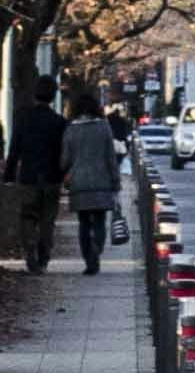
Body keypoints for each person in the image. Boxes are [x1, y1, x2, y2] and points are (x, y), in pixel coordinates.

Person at [59, 89, 125, 275]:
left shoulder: (71, 129)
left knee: (83, 222)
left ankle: (89, 258)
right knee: (99, 220)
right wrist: (116, 180)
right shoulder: (103, 127)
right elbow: (111, 157)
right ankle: (98, 247)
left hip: (79, 183)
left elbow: (64, 160)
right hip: (102, 181)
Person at [9, 78, 70, 270]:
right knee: (47, 219)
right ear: (52, 97)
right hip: (52, 177)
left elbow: (14, 149)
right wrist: (64, 174)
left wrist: (9, 175)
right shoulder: (59, 122)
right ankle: (44, 255)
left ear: (35, 94)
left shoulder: (23, 119)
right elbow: (64, 151)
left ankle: (30, 252)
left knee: (28, 216)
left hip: (29, 176)